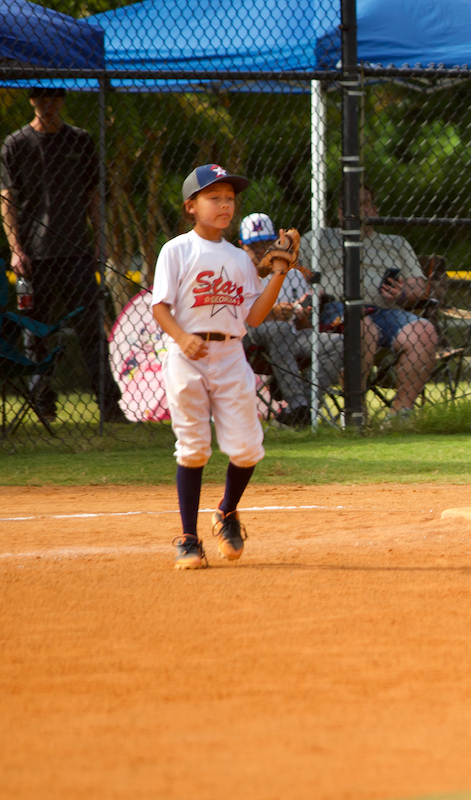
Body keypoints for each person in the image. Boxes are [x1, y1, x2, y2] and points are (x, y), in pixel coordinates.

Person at [151, 164, 293, 570]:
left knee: (247, 448)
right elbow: (159, 307)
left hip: (231, 355)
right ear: (191, 206)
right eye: (214, 197)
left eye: (230, 198)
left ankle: (226, 512)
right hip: (187, 356)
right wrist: (181, 337)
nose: (225, 204)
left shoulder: (239, 258)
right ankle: (188, 538)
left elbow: (254, 317)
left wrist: (278, 275)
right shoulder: (176, 250)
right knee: (194, 448)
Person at [0, 87, 124, 423]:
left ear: (62, 101)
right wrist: (16, 250)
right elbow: (7, 199)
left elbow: (93, 195)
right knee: (35, 334)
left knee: (90, 330)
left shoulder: (80, 141)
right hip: (33, 257)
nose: (47, 105)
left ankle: (109, 407)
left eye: (53, 99)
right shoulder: (16, 143)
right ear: (31, 101)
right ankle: (43, 404)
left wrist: (100, 240)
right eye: (41, 99)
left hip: (77, 253)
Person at [302, 186, 441, 419]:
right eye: (353, 205)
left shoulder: (395, 243)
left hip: (385, 310)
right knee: (363, 326)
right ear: (340, 212)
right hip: (335, 310)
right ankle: (356, 411)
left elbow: (419, 287)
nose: (361, 209)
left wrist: (402, 292)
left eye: (366, 203)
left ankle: (400, 414)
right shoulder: (317, 239)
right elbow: (289, 275)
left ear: (375, 210)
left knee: (424, 331)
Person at [238, 212, 342, 428]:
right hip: (250, 337)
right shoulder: (234, 270)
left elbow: (306, 324)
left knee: (338, 343)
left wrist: (304, 315)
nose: (260, 250)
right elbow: (230, 316)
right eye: (252, 245)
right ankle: (299, 406)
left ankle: (306, 405)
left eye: (265, 242)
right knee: (278, 328)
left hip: (291, 336)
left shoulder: (290, 270)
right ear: (241, 245)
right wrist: (271, 313)